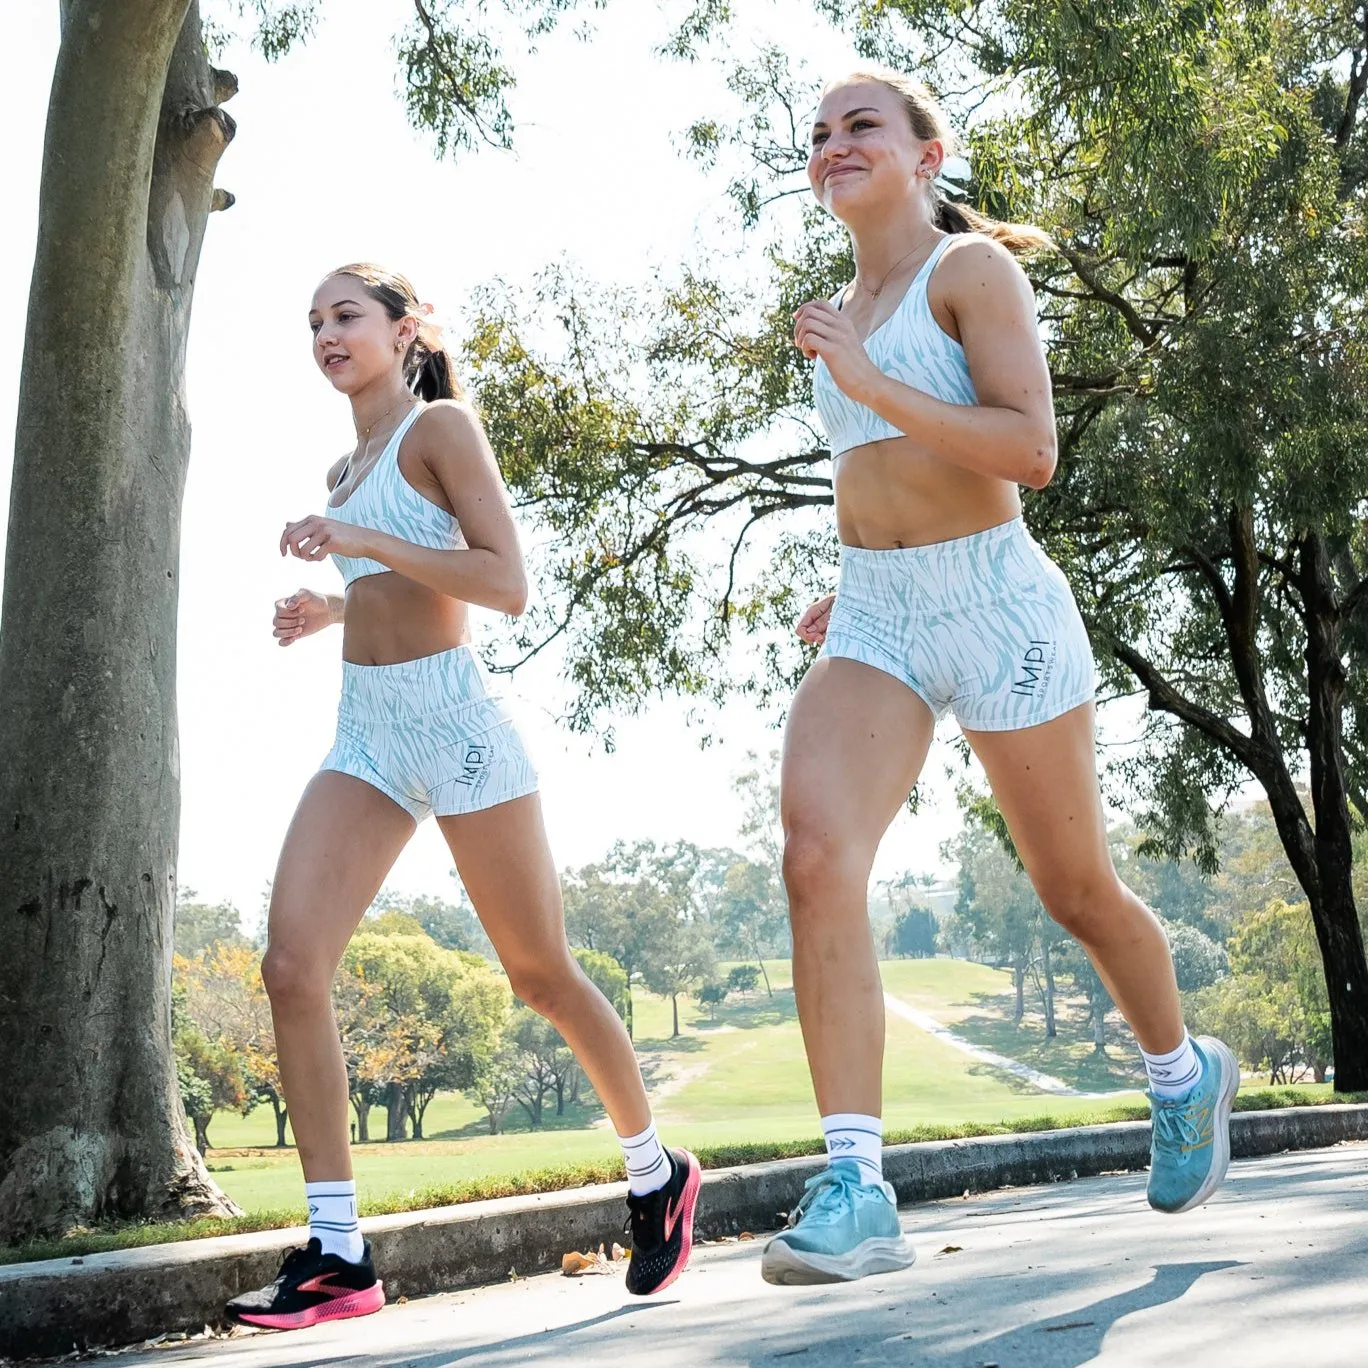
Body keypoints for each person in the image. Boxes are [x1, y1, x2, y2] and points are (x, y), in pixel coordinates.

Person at [760, 71, 1238, 1287]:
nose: (832, 146)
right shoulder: (839, 306)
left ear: (928, 154)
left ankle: (1182, 1074)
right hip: (877, 613)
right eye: (817, 136)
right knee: (816, 856)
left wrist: (872, 380)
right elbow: (876, 466)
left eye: (859, 125)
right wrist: (858, 570)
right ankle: (858, 1185)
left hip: (999, 604)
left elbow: (1029, 448)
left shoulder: (970, 277)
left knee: (1075, 890)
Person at [225, 264, 699, 1329]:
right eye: (313, 322)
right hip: (370, 733)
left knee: (540, 975)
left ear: (405, 332)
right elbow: (407, 587)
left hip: (459, 729)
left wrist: (360, 549)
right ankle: (340, 1253)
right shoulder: (343, 466)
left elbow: (501, 582)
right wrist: (336, 607)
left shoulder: (441, 432)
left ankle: (654, 1173)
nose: (326, 334)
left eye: (346, 315)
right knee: (292, 965)